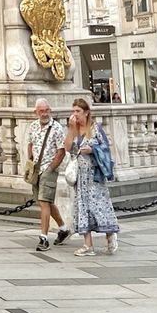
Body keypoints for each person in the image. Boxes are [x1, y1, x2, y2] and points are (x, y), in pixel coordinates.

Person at [64, 96, 119, 257]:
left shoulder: (95, 128)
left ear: (86, 112)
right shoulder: (74, 129)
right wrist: (70, 129)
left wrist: (93, 150)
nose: (75, 114)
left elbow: (105, 148)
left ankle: (110, 234)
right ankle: (88, 245)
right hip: (81, 177)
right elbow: (68, 147)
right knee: (83, 208)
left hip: (94, 175)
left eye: (78, 111)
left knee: (99, 206)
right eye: (74, 111)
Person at [27, 98, 72, 253]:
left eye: (47, 110)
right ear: (36, 112)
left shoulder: (57, 128)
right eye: (41, 111)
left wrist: (51, 168)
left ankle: (44, 238)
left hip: (49, 168)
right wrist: (30, 162)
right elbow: (30, 144)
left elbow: (61, 151)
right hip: (37, 169)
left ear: (50, 110)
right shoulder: (33, 126)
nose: (44, 113)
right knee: (45, 201)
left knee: (44, 201)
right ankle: (63, 228)